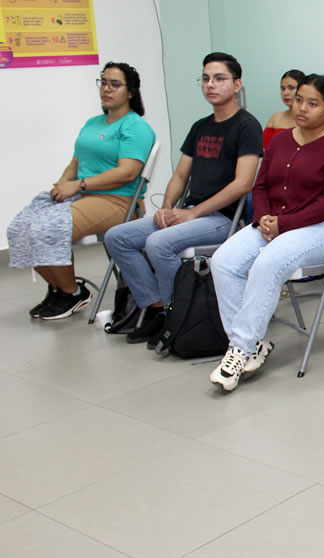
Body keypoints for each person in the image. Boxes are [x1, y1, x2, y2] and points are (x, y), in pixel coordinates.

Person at [208, 74, 324, 391]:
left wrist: (283, 224)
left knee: (268, 262)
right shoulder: (280, 140)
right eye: (299, 99)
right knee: (223, 260)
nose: (302, 107)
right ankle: (252, 344)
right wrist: (263, 216)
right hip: (274, 223)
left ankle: (239, 350)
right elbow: (260, 184)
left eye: (313, 103)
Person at [104, 52, 261, 345]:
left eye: (219, 79)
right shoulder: (201, 126)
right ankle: (159, 309)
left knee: (158, 243)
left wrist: (193, 213)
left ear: (237, 85)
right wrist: (166, 209)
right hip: (190, 212)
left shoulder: (246, 125)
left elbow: (243, 184)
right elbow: (180, 176)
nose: (210, 85)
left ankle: (180, 317)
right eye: (205, 79)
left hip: (222, 218)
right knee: (116, 237)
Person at [8, 62, 155, 321]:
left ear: (130, 92)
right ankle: (57, 288)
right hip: (83, 195)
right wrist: (61, 184)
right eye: (104, 82)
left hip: (118, 201)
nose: (107, 89)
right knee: (21, 226)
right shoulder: (93, 123)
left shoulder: (135, 127)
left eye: (115, 84)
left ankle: (72, 292)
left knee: (49, 227)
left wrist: (78, 185)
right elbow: (76, 162)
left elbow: (127, 172)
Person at [263, 69, 304, 149]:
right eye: (282, 88)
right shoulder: (275, 117)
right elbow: (265, 149)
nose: (285, 93)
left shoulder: (308, 119)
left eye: (291, 88)